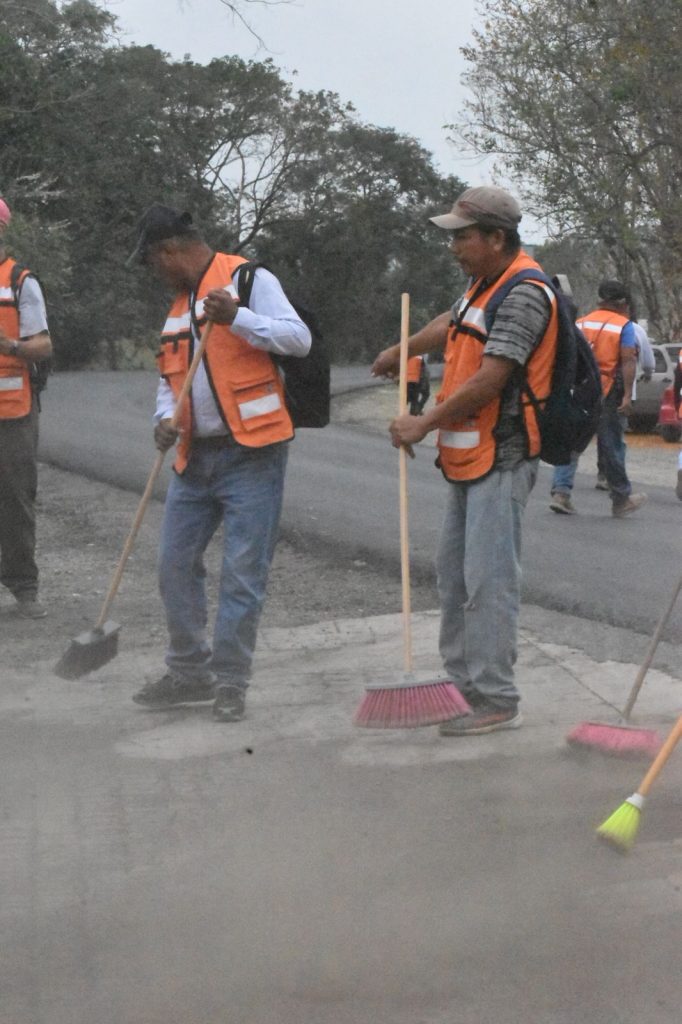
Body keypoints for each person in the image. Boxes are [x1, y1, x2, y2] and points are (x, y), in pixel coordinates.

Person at [372, 185, 558, 736]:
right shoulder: (483, 286)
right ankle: (462, 686)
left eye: (462, 236)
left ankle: (496, 697)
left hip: (502, 457)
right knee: (454, 580)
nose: (453, 247)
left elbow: (491, 378)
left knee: (488, 582)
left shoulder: (525, 293)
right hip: (466, 458)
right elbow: (450, 324)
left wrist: (423, 422)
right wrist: (401, 349)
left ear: (497, 238)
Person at [128, 205, 311, 722]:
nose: (155, 272)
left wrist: (239, 317)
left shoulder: (248, 279)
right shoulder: (177, 307)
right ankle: (190, 672)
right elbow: (169, 380)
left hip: (253, 453)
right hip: (194, 457)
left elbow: (298, 339)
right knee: (173, 565)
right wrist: (163, 420)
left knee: (242, 574)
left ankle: (230, 681)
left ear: (169, 251)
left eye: (152, 261)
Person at [549, 280, 647, 517]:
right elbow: (628, 360)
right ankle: (621, 498)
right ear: (622, 304)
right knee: (611, 444)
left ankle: (561, 493)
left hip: (580, 389)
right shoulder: (624, 326)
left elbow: (567, 354)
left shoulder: (582, 322)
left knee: (572, 440)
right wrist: (627, 395)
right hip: (606, 391)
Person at [0, 197, 52, 619]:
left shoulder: (20, 282)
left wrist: (11, 346)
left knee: (16, 498)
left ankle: (23, 588)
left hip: (13, 410)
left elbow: (44, 346)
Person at [595, 314, 654, 490]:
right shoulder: (636, 330)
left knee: (602, 433)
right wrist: (648, 372)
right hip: (623, 392)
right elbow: (647, 360)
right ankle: (614, 478)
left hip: (593, 388)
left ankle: (602, 472)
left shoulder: (593, 323)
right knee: (616, 434)